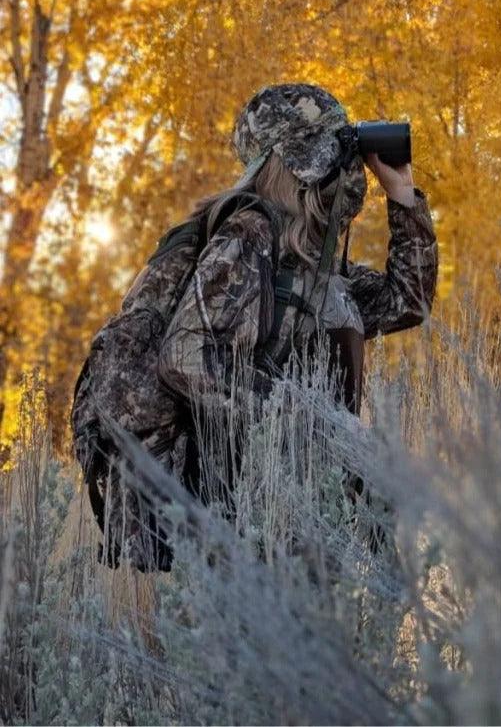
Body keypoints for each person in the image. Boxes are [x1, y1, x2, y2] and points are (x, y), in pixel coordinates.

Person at [71, 82, 438, 572]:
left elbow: (407, 301)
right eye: (333, 150)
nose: (345, 166)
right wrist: (299, 414)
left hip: (297, 503)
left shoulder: (307, 260)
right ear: (296, 162)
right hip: (244, 509)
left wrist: (403, 197)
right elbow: (185, 355)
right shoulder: (249, 236)